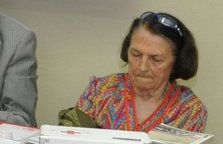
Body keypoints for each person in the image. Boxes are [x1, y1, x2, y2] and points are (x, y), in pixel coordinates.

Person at [73, 11, 206, 131]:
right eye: (136, 55)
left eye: (155, 59)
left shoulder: (188, 109)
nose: (142, 67)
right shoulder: (100, 90)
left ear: (176, 63)